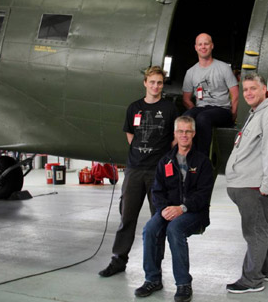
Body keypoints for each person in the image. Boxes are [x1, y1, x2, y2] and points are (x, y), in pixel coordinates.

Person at [99, 65, 178, 277]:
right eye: (152, 82)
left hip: (157, 173)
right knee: (127, 217)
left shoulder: (170, 109)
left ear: (163, 85)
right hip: (134, 170)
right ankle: (118, 260)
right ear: (145, 83)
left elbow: (174, 139)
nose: (155, 86)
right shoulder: (134, 108)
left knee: (158, 220)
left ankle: (155, 266)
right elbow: (130, 136)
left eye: (159, 83)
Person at [224, 73, 268, 293]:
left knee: (255, 231)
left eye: (253, 88)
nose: (249, 93)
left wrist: (267, 185)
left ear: (264, 89)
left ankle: (251, 280)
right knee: (264, 227)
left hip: (256, 187)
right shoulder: (257, 114)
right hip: (250, 185)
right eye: (245, 90)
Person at [134, 116, 214, 302]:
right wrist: (163, 210)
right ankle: (152, 279)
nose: (184, 135)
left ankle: (183, 284)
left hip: (195, 213)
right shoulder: (165, 162)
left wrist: (182, 208)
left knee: (175, 229)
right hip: (169, 210)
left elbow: (203, 195)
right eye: (180, 131)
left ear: (193, 134)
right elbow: (157, 190)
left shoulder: (202, 162)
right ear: (175, 134)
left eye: (187, 132)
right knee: (150, 228)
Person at [181, 33, 239, 155]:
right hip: (202, 108)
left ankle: (202, 159)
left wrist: (233, 114)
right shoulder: (191, 72)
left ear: (212, 46)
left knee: (203, 118)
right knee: (186, 118)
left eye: (206, 43)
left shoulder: (223, 68)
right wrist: (194, 111)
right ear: (195, 47)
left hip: (221, 109)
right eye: (200, 44)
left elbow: (235, 94)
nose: (203, 47)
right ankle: (185, 155)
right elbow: (186, 99)